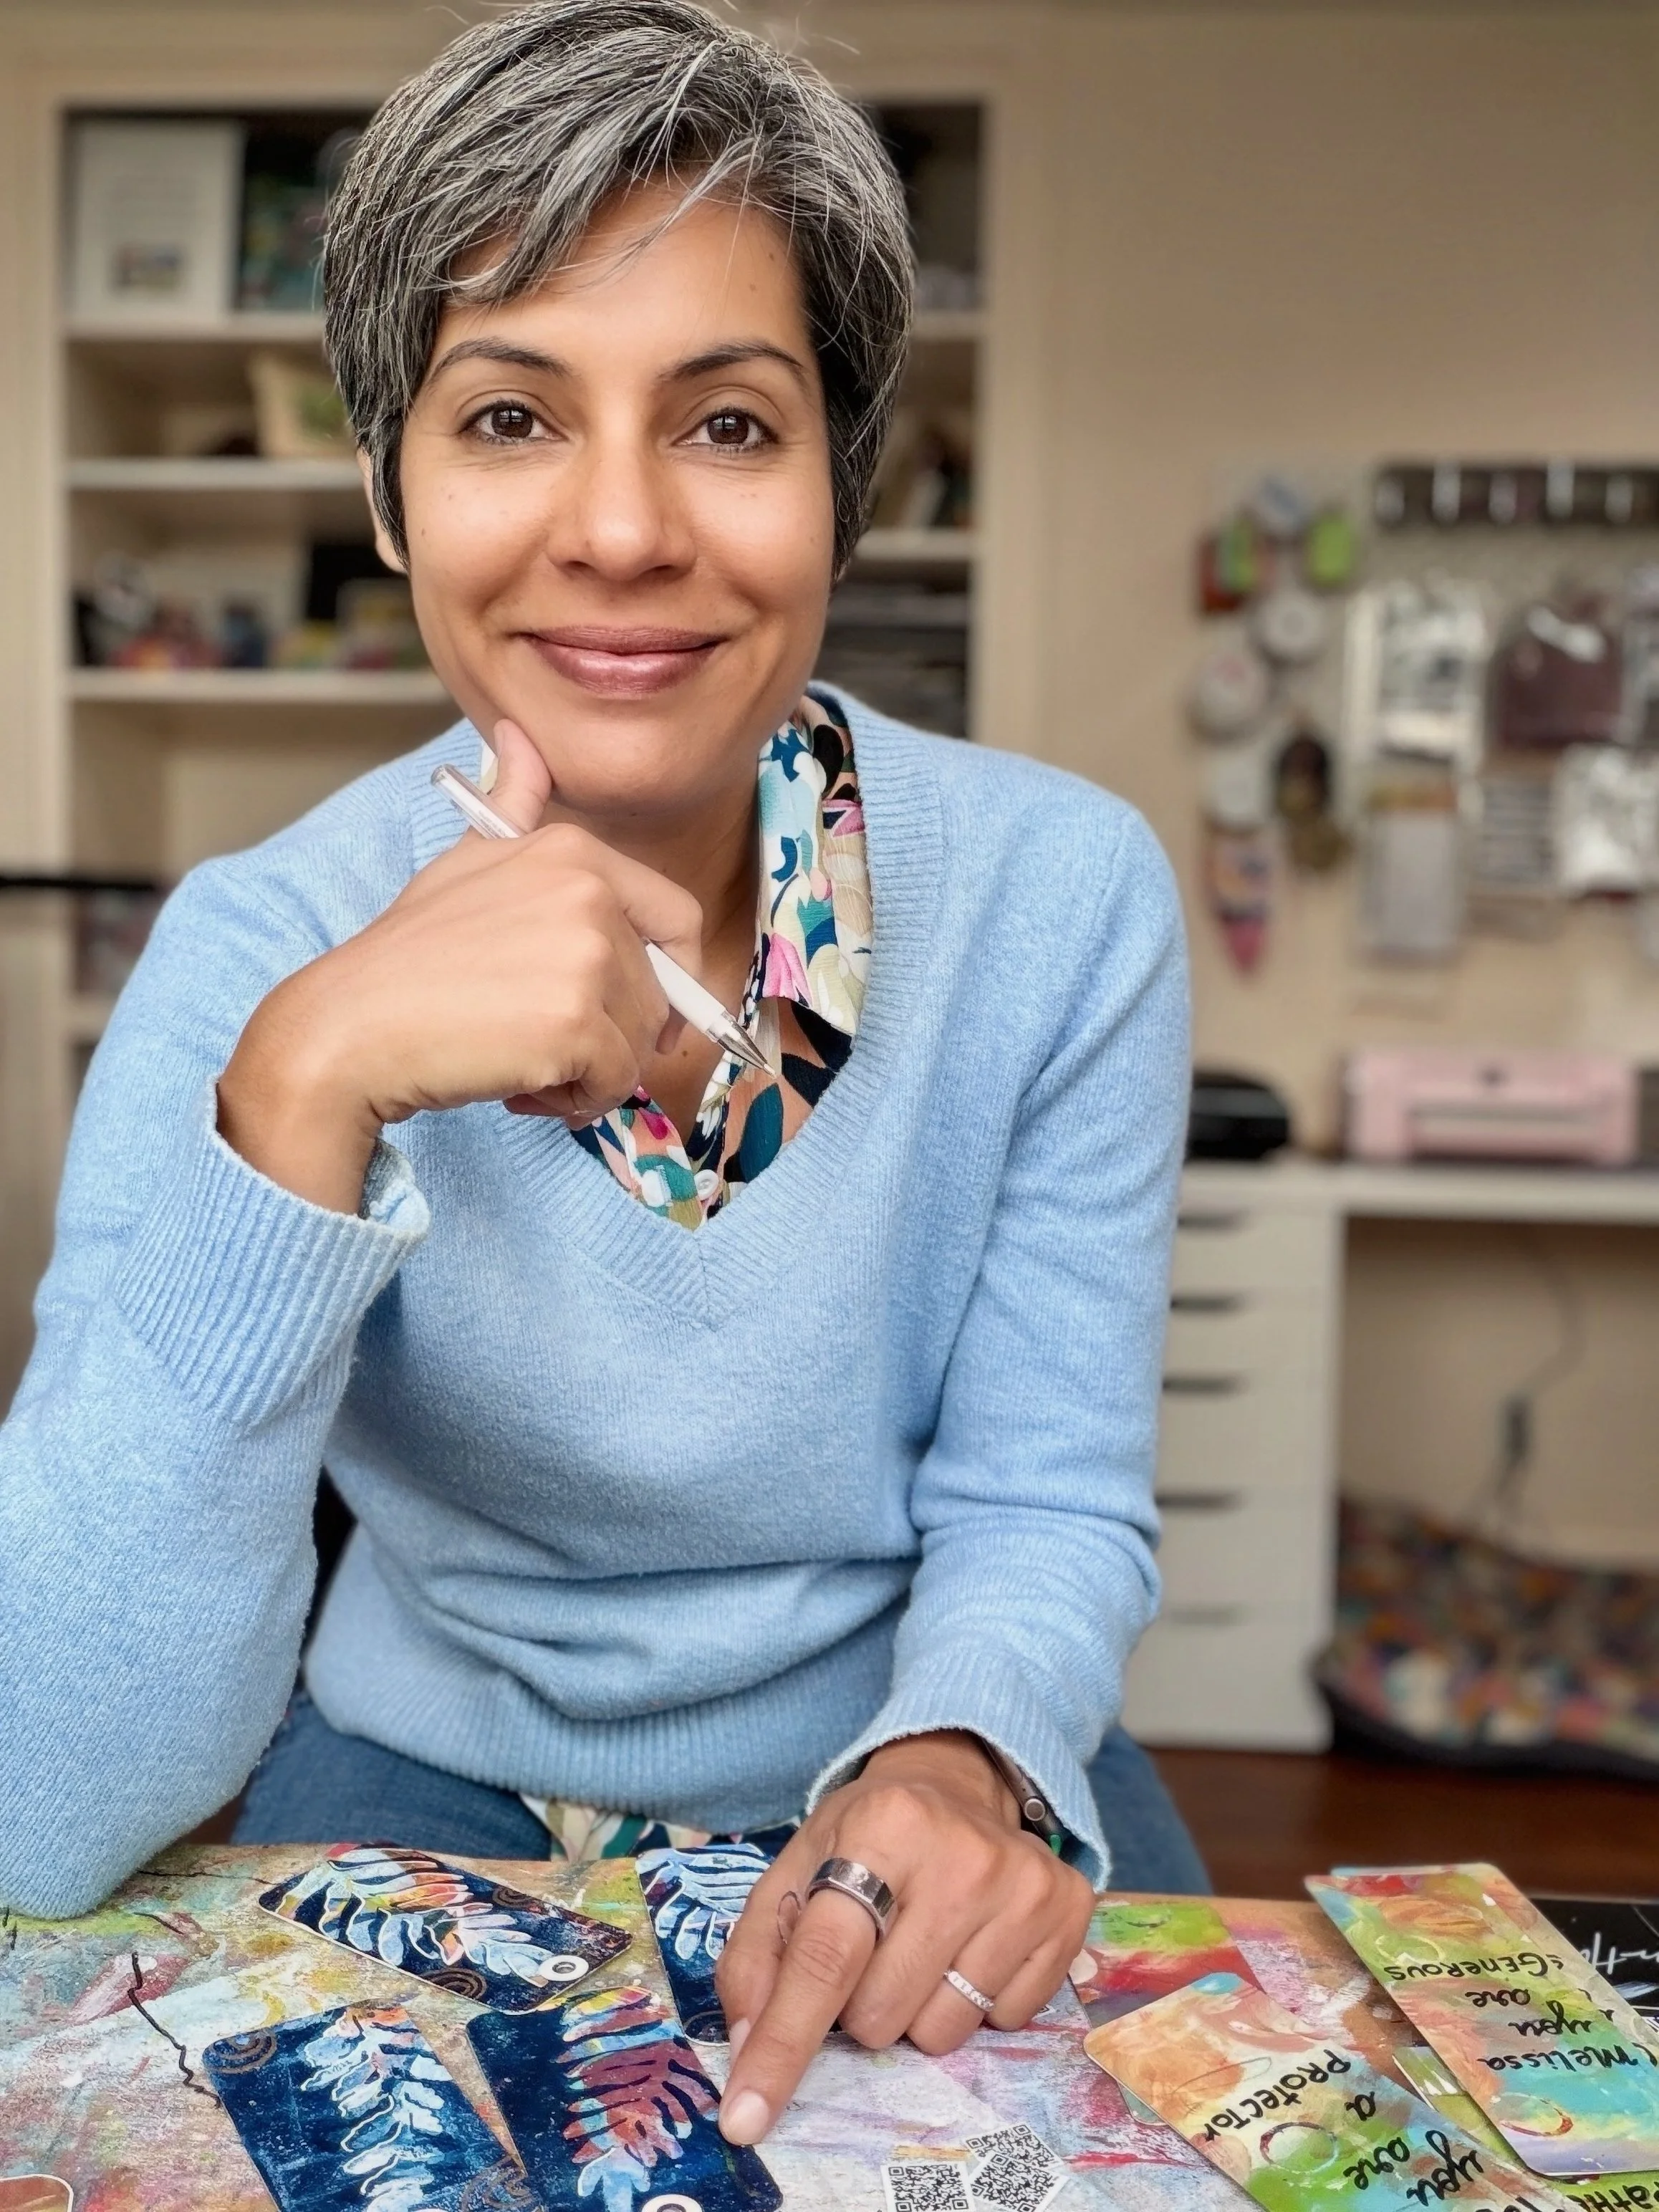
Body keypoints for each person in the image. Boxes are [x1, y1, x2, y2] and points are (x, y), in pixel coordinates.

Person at [0, 0, 1203, 2146]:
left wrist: (959, 1760)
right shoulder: (261, 950)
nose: (625, 530)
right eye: (507, 417)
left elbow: (1040, 1493)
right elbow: (46, 1787)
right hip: (419, 1768)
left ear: (846, 471)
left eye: (728, 425)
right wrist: (313, 1081)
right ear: (388, 491)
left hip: (922, 1754)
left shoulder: (1057, 895)